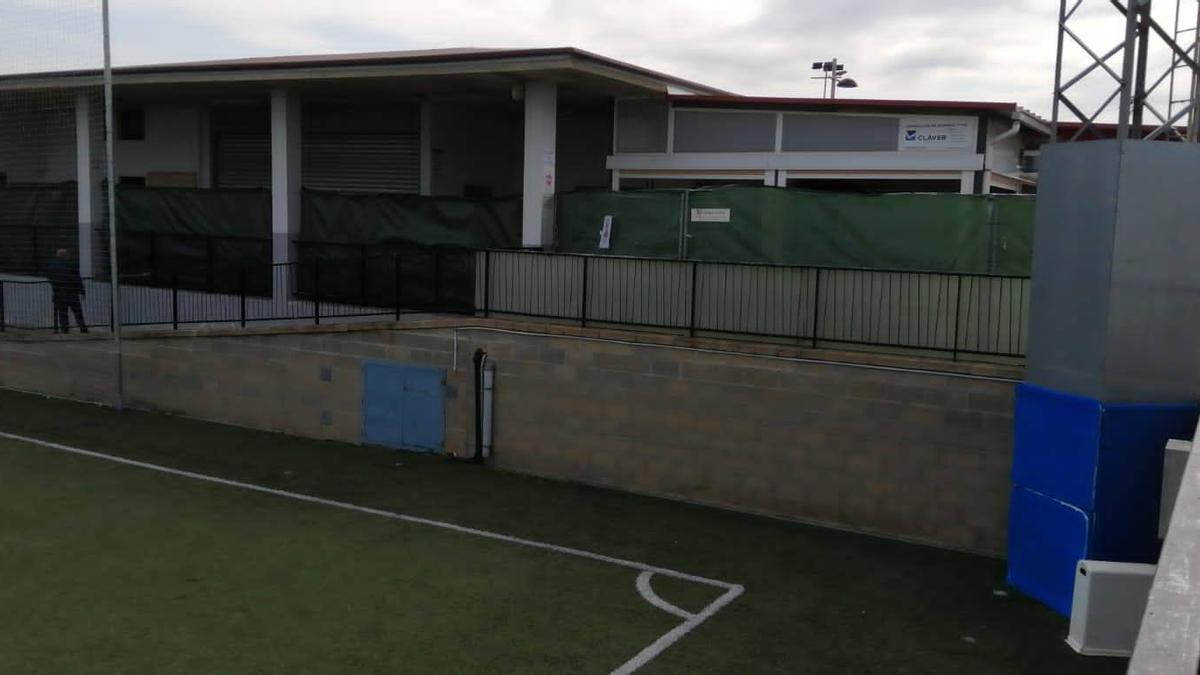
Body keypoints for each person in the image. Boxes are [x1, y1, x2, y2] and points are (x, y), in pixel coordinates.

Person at [46, 249, 88, 334]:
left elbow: (49, 276)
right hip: (72, 292)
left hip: (59, 293)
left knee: (62, 313)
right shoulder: (71, 265)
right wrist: (82, 291)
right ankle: (82, 327)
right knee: (77, 312)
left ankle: (64, 329)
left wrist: (55, 285)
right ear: (65, 255)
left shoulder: (52, 266)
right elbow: (77, 279)